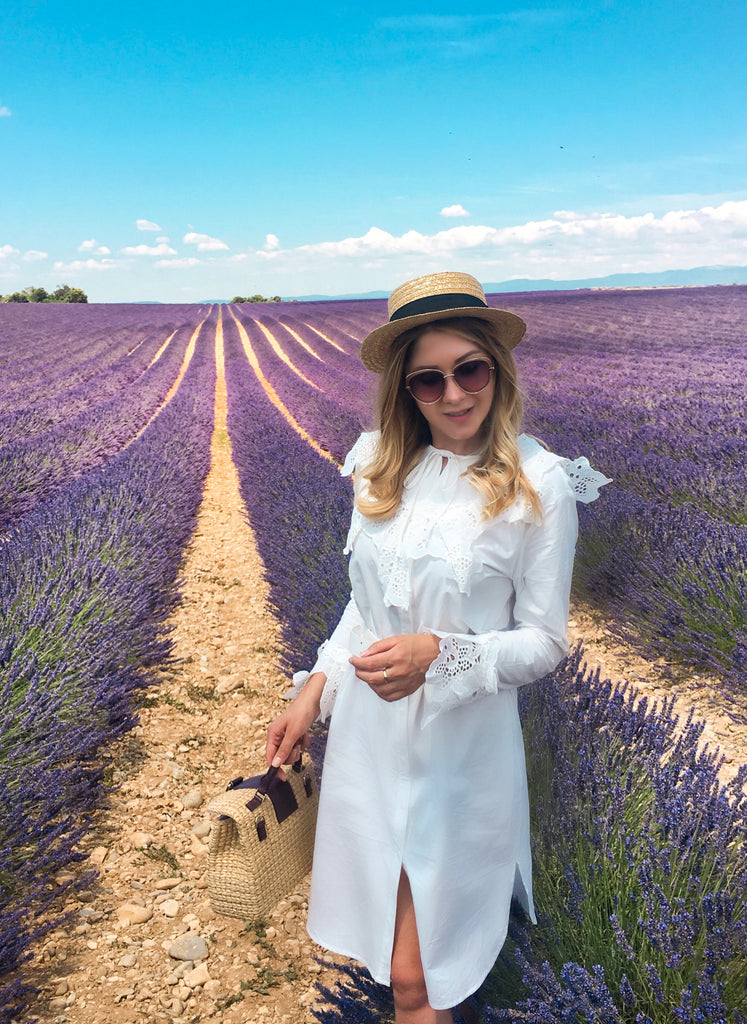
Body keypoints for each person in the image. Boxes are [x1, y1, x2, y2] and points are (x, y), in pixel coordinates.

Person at [266, 272, 609, 1024]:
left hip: (461, 752)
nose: (453, 394)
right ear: (405, 389)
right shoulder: (378, 466)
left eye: (469, 370)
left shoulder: (539, 482)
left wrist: (440, 653)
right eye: (429, 379)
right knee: (391, 963)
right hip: (368, 736)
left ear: (496, 369)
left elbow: (545, 643)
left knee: (419, 977)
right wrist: (314, 689)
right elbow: (365, 607)